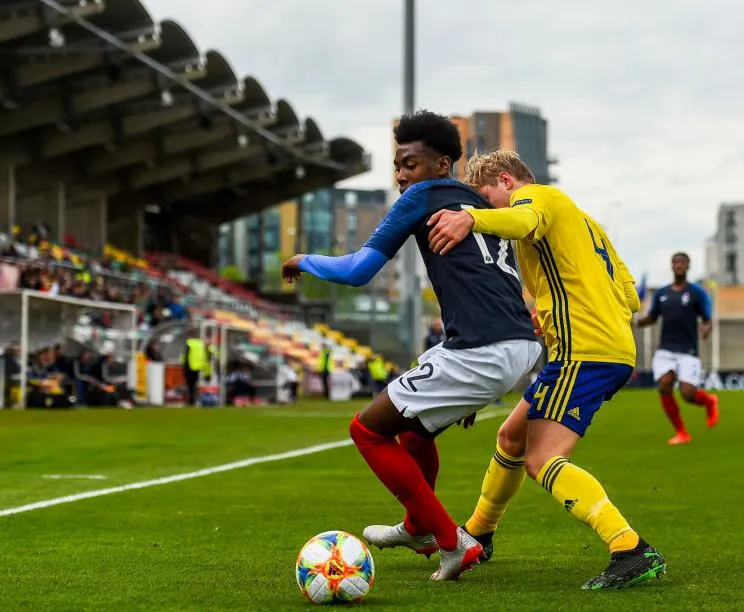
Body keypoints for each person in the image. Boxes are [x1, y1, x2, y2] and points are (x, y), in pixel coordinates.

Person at [282, 111, 542, 581]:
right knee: (416, 432)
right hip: (516, 345)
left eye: (410, 164)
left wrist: (304, 259)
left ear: (441, 165)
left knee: (367, 431)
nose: (402, 176)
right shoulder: (477, 203)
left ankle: (451, 542)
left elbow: (358, 270)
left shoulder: (424, 197)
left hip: (483, 348)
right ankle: (418, 526)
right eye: (397, 166)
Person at [425, 149, 665, 590]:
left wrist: (471, 219)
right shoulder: (586, 222)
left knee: (541, 458)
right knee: (511, 437)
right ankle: (478, 533)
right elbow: (630, 296)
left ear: (506, 181)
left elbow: (522, 220)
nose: (483, 208)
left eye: (485, 198)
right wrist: (559, 310)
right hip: (604, 347)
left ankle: (629, 547)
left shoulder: (537, 200)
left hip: (583, 351)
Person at [635, 252, 719, 445]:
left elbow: (707, 319)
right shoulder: (662, 293)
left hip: (688, 350)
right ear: (671, 266)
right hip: (666, 349)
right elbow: (652, 317)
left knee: (688, 394)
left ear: (688, 266)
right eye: (675, 262)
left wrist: (706, 329)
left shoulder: (697, 293)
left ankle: (709, 401)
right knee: (664, 385)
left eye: (682, 262)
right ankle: (681, 433)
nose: (679, 265)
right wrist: (635, 323)